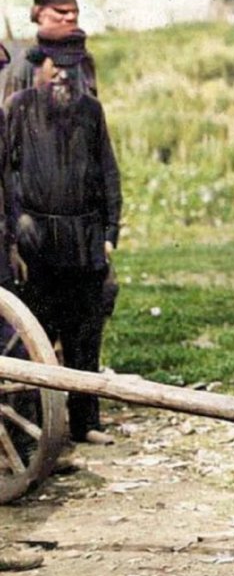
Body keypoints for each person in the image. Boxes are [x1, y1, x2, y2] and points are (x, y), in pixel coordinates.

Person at [3, 29, 121, 445]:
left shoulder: (91, 112)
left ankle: (85, 423)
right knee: (35, 342)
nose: (63, 77)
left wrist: (109, 235)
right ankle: (38, 430)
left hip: (85, 240)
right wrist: (15, 239)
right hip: (37, 247)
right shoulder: (16, 110)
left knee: (85, 338)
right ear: (41, 66)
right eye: (56, 67)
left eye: (72, 69)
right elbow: (6, 176)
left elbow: (109, 174)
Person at [1, 0, 98, 102]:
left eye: (75, 11)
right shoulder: (26, 64)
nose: (71, 17)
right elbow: (10, 115)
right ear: (39, 15)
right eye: (61, 12)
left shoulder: (84, 60)